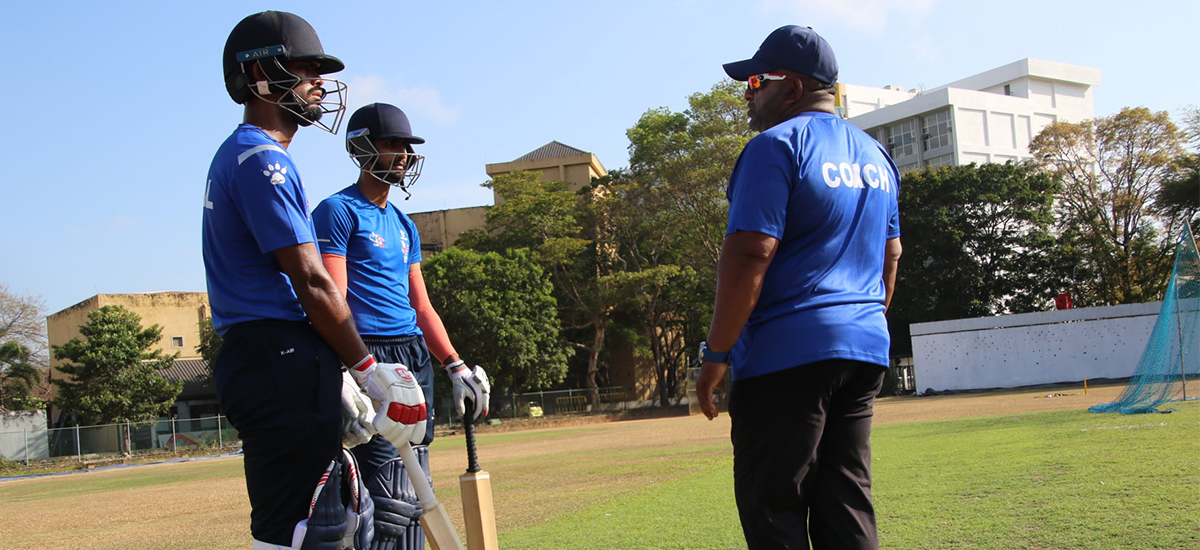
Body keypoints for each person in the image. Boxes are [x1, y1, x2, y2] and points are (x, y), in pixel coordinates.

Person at [203, 11, 429, 550]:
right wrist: (366, 367)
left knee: (344, 517)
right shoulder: (262, 159)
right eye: (305, 69)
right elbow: (312, 279)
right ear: (259, 77)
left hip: (280, 354)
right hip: (272, 351)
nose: (320, 85)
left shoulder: (255, 154)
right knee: (306, 530)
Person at [694, 25, 903, 550]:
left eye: (755, 82)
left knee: (775, 510)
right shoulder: (878, 159)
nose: (748, 95)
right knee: (846, 503)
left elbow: (748, 256)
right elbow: (890, 257)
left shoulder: (774, 146)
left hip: (786, 356)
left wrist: (717, 354)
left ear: (789, 87)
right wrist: (859, 326)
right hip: (863, 350)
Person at [312, 102, 491, 550]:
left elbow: (422, 307)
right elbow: (334, 299)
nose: (404, 155)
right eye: (393, 144)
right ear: (362, 147)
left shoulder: (404, 224)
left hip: (412, 354)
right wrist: (343, 367)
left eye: (407, 147)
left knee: (416, 488)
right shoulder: (338, 211)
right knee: (388, 497)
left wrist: (455, 366)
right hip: (369, 354)